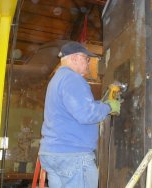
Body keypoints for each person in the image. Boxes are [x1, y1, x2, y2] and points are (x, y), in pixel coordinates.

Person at [38, 41, 120, 188]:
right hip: (72, 156)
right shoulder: (73, 78)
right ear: (74, 58)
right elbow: (86, 114)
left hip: (54, 155)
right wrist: (108, 107)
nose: (88, 63)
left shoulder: (56, 80)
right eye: (86, 59)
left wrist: (98, 105)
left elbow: (74, 110)